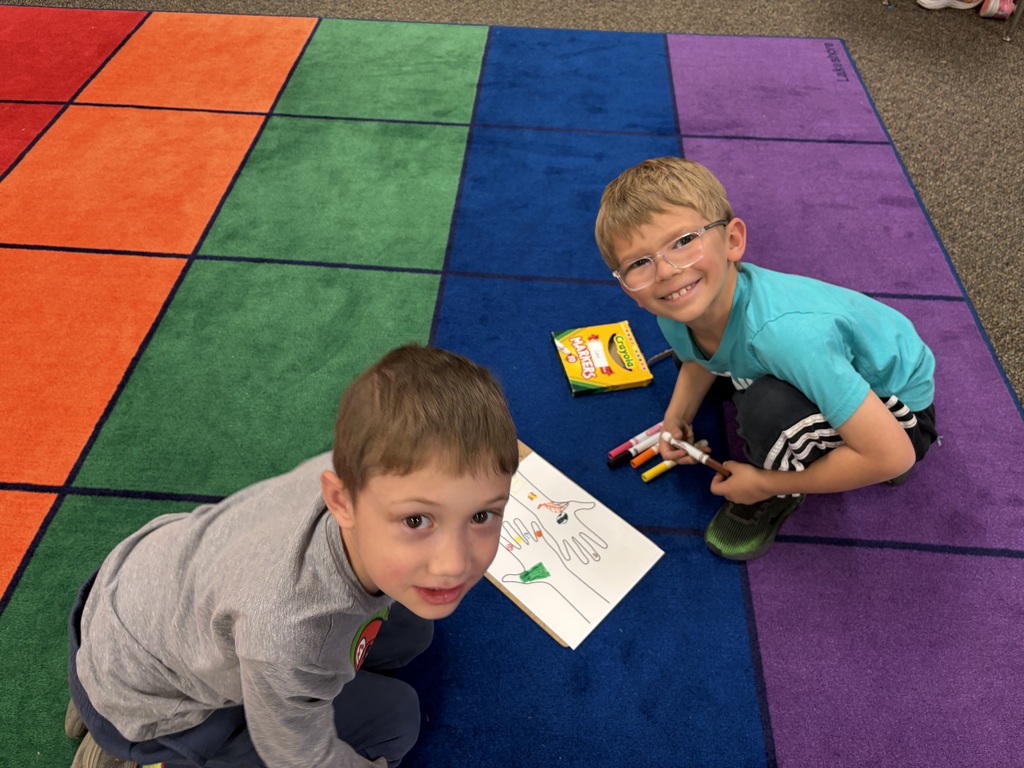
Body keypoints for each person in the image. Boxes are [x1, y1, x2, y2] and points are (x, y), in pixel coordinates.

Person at [64, 344, 520, 767]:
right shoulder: (290, 632)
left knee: (414, 633)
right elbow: (300, 757)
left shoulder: (369, 460)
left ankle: (102, 696)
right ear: (342, 502)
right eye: (417, 521)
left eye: (482, 515)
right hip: (153, 701)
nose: (455, 564)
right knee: (396, 721)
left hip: (134, 592)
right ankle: (120, 744)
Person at [595, 157, 938, 561]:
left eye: (683, 241)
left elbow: (894, 454)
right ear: (628, 289)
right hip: (810, 358)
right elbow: (697, 359)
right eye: (639, 263)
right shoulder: (676, 309)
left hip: (900, 416)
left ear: (733, 241)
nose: (667, 271)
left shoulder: (787, 337)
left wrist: (761, 482)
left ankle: (779, 491)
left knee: (766, 408)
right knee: (700, 359)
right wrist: (677, 417)